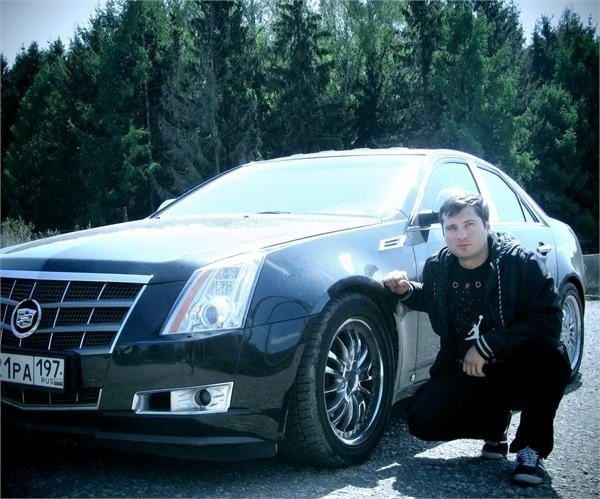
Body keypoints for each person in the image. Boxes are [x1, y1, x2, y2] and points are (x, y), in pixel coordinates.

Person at [383, 192, 571, 486]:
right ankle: (494, 427)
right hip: (470, 370)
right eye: (452, 228)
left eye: (469, 224)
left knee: (552, 355)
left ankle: (531, 447)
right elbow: (433, 300)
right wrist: (405, 291)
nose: (461, 235)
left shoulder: (521, 262)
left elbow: (548, 319)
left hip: (519, 368)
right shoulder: (439, 267)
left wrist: (488, 344)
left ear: (487, 225)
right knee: (421, 418)